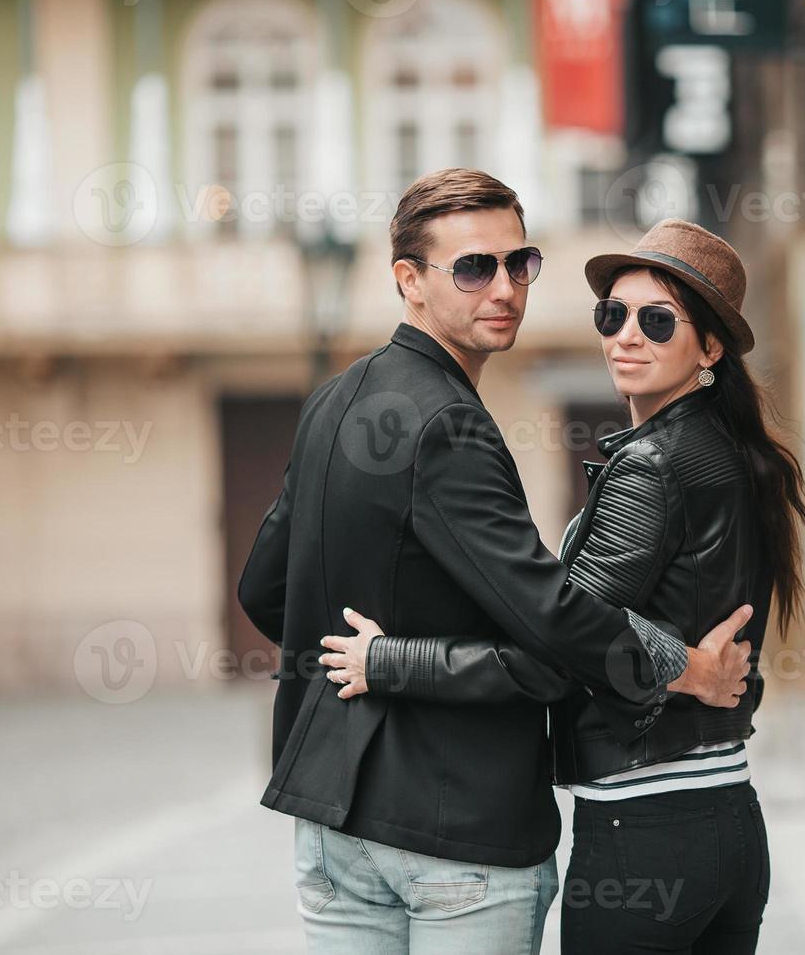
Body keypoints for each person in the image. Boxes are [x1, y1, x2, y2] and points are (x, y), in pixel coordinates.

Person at [237, 171, 754, 955]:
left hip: (334, 823)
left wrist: (380, 658)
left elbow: (266, 589)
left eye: (521, 263)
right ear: (409, 281)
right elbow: (553, 627)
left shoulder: (334, 402)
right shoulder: (450, 424)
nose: (505, 287)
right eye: (474, 267)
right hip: (456, 829)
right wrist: (687, 669)